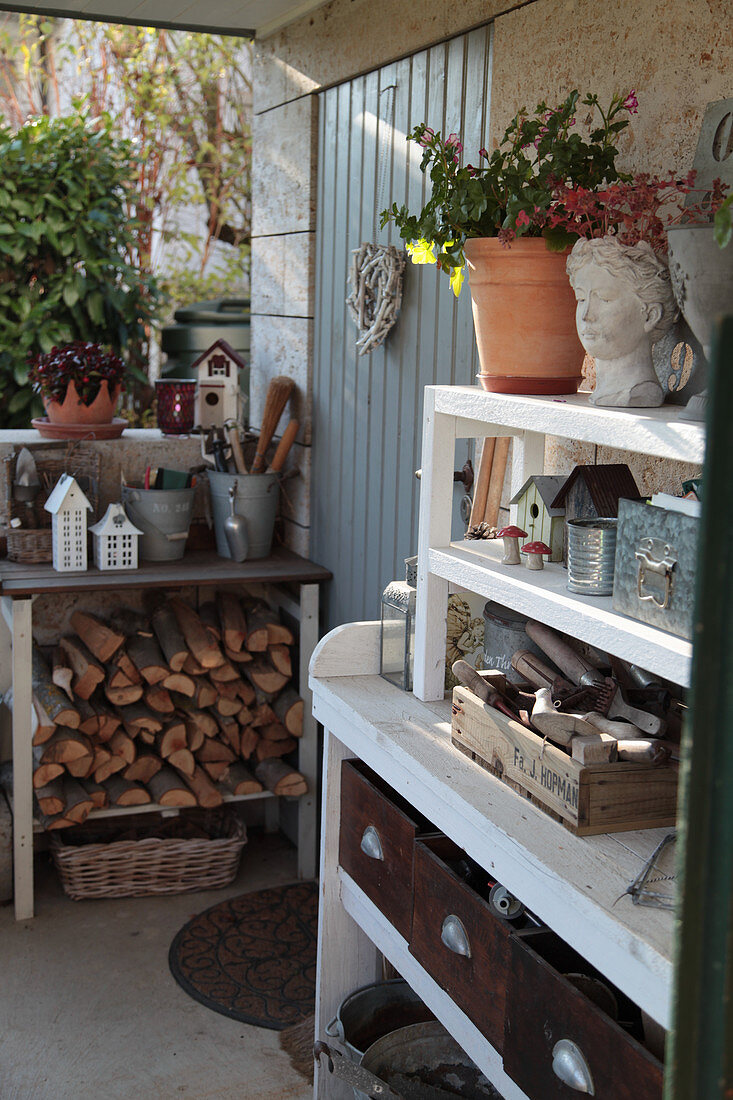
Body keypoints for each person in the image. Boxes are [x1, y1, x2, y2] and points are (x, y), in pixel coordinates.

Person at [566, 236, 678, 407]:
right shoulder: (602, 394)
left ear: (650, 315)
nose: (586, 315)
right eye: (581, 299)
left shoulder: (641, 393)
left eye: (604, 299)